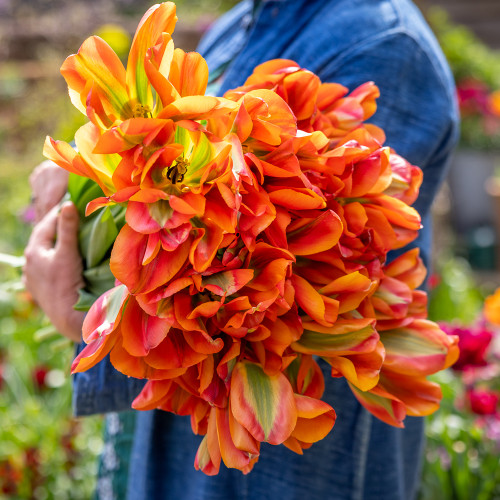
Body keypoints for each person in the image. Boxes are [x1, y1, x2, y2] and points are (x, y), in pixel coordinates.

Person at [24, 0, 459, 498]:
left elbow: (311, 285)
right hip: (215, 411)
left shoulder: (382, 43)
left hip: (284, 475)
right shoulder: (244, 20)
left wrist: (74, 312)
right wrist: (92, 170)